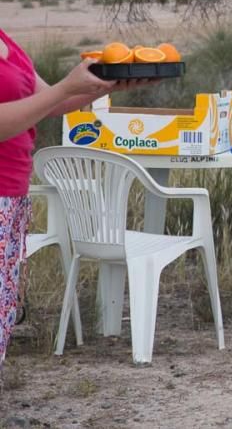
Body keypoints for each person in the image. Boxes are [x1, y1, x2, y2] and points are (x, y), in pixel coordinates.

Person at [0, 32, 153, 367]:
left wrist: (103, 85)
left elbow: (47, 102)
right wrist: (67, 87)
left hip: (12, 195)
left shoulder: (5, 40)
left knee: (3, 312)